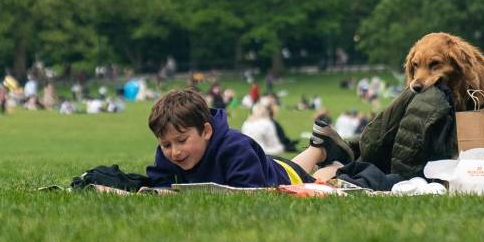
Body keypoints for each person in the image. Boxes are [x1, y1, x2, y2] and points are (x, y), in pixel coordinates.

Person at [145, 89, 354, 188]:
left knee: (320, 178)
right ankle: (319, 147)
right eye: (166, 144)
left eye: (182, 141)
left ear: (206, 131)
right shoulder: (169, 154)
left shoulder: (235, 148)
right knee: (291, 165)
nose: (175, 151)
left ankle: (334, 161)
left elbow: (251, 191)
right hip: (271, 164)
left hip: (281, 177)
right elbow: (159, 181)